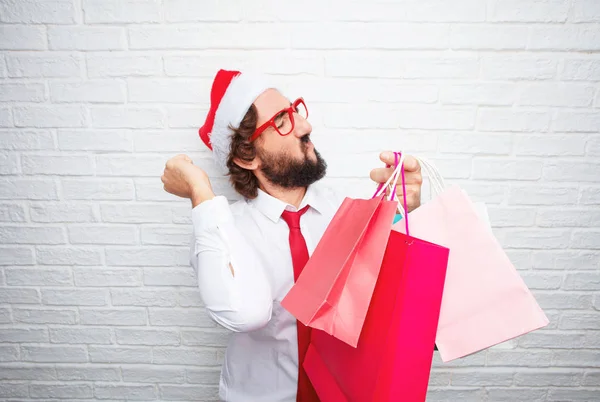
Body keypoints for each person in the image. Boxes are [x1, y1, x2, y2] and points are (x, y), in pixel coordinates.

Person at [161, 69, 423, 402]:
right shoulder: (222, 231)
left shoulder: (346, 212)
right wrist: (199, 191)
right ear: (246, 155)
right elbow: (246, 313)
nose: (305, 126)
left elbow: (384, 305)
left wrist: (401, 211)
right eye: (282, 120)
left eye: (296, 110)